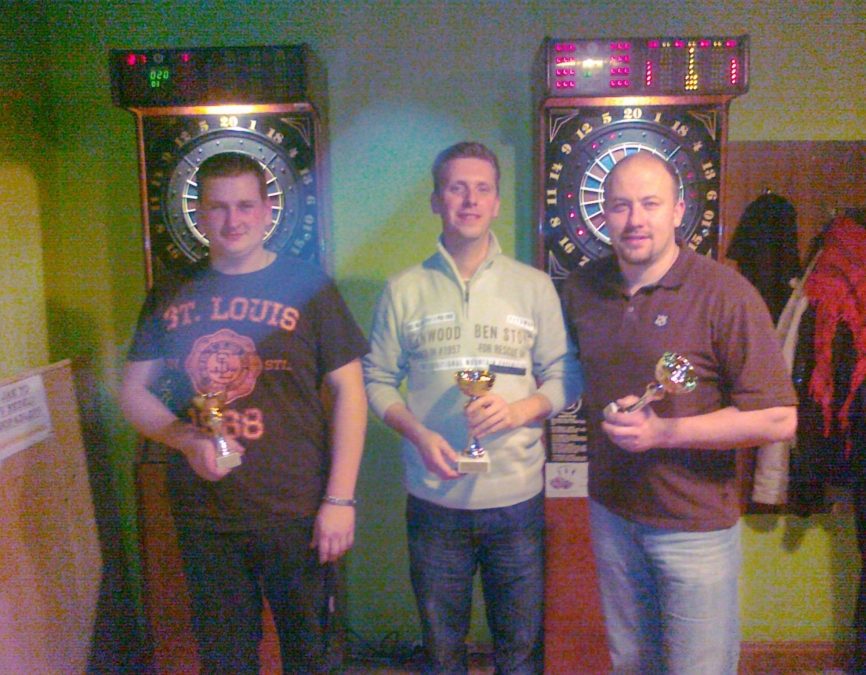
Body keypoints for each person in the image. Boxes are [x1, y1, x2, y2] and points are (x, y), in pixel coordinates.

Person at [119, 152, 369, 675]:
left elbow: (351, 393)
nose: (233, 220)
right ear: (200, 213)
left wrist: (340, 499)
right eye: (218, 207)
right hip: (206, 516)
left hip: (297, 511)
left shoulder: (310, 287)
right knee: (225, 660)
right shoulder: (170, 290)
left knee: (312, 657)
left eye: (245, 205)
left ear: (266, 210)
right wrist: (186, 439)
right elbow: (133, 392)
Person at [560, 152, 798, 675]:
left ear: (677, 210)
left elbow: (779, 418)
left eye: (650, 203)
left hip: (695, 529)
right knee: (631, 664)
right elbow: (569, 376)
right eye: (620, 205)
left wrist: (664, 431)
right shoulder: (581, 290)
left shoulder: (725, 293)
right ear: (603, 214)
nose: (635, 219)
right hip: (611, 514)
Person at [363, 141, 581, 675]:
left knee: (521, 652)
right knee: (442, 652)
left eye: (483, 188)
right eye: (457, 188)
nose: (470, 200)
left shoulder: (533, 287)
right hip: (434, 502)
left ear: (497, 202)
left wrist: (521, 411)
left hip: (517, 502)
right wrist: (417, 433)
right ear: (436, 200)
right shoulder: (403, 290)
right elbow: (377, 380)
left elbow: (566, 376)